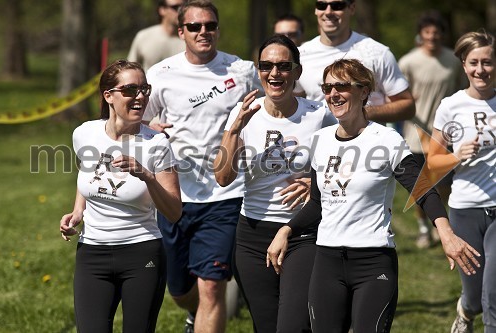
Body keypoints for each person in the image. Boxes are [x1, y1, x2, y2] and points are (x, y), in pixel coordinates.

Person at [267, 58, 480, 332]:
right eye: (328, 87)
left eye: (342, 86)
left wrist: (446, 233)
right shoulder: (320, 140)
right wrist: (287, 229)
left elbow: (423, 188)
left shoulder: (387, 140)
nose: (333, 94)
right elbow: (319, 203)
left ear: (364, 90)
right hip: (327, 263)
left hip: (373, 263)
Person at [142, 1, 263, 332]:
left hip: (226, 193)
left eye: (210, 25)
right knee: (180, 289)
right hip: (175, 196)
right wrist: (151, 128)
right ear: (181, 32)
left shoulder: (241, 71)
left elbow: (267, 115)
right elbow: (137, 121)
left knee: (211, 286)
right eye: (194, 27)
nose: (203, 32)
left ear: (218, 29)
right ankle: (192, 313)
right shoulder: (161, 74)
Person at [214, 34, 336, 333]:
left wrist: (314, 182)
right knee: (266, 325)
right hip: (253, 234)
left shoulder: (319, 116)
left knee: (293, 325)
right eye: (266, 66)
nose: (274, 73)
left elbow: (343, 163)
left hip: (303, 233)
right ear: (258, 71)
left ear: (297, 71)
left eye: (283, 66)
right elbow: (222, 176)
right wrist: (234, 129)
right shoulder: (244, 114)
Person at [59, 59, 182, 332]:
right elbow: (87, 176)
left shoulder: (157, 145)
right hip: (92, 253)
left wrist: (147, 176)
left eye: (144, 89)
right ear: (109, 96)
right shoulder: (84, 133)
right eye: (130, 90)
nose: (140, 97)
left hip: (141, 253)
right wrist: (78, 211)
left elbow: (174, 212)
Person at [427, 30, 496, 333]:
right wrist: (457, 156)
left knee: (493, 295)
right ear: (463, 65)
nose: (481, 69)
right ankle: (466, 311)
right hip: (465, 210)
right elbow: (431, 163)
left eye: (488, 62)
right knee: (476, 297)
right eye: (474, 62)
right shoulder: (451, 106)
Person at [398, 10, 468, 249]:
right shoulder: (408, 62)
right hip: (415, 135)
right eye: (427, 33)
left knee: (444, 187)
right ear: (421, 35)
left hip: (446, 136)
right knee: (421, 188)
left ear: (442, 35)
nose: (432, 37)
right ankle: (423, 230)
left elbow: (462, 93)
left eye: (436, 33)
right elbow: (396, 95)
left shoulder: (453, 61)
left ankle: (440, 226)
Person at [296, 0, 415, 124]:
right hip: (320, 141)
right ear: (316, 10)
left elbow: (407, 106)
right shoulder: (301, 55)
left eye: (337, 6)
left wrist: (363, 112)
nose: (328, 11)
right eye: (322, 5)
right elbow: (294, 104)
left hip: (369, 141)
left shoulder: (377, 52)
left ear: (352, 8)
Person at [127, 0, 186, 71]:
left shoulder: (189, 39)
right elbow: (129, 70)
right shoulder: (143, 36)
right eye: (175, 7)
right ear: (162, 10)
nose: (180, 11)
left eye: (183, 7)